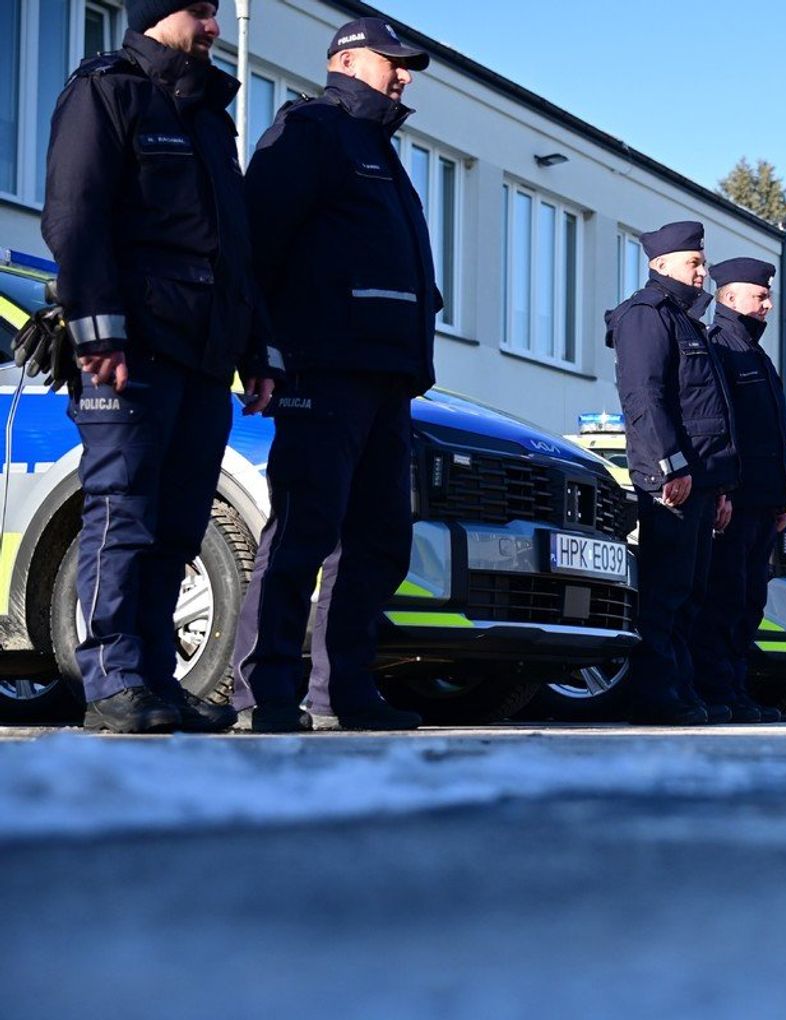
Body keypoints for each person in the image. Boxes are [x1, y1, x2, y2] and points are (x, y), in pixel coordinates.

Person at [41, 0, 281, 733]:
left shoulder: (210, 116)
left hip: (204, 357)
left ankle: (153, 681)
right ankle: (111, 680)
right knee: (125, 512)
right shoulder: (106, 90)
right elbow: (76, 217)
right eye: (198, 12)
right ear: (154, 14)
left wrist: (257, 350)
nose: (212, 28)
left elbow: (235, 251)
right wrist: (98, 333)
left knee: (178, 526)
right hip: (132, 353)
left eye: (215, 13)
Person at [229, 17, 437, 732]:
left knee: (378, 540)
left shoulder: (380, 150)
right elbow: (258, 248)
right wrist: (263, 351)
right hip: (324, 369)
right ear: (346, 62)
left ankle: (343, 692)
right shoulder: (311, 131)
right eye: (392, 62)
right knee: (304, 531)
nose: (402, 76)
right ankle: (264, 694)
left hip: (388, 376)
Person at [606, 221, 739, 725]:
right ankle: (655, 695)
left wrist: (719, 486)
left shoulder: (687, 322)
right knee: (665, 593)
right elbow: (644, 397)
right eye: (693, 263)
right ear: (660, 265)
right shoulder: (646, 315)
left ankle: (682, 691)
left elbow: (706, 412)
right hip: (672, 481)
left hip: (700, 480)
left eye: (703, 263)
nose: (702, 272)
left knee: (691, 594)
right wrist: (670, 466)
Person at [690, 257, 786, 724]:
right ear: (730, 297)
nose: (768, 305)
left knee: (750, 601)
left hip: (764, 502)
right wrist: (724, 490)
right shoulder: (720, 347)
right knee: (725, 599)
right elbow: (721, 426)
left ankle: (736, 689)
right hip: (737, 500)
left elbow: (776, 437)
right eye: (760, 296)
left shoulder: (757, 355)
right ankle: (716, 690)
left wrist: (784, 499)